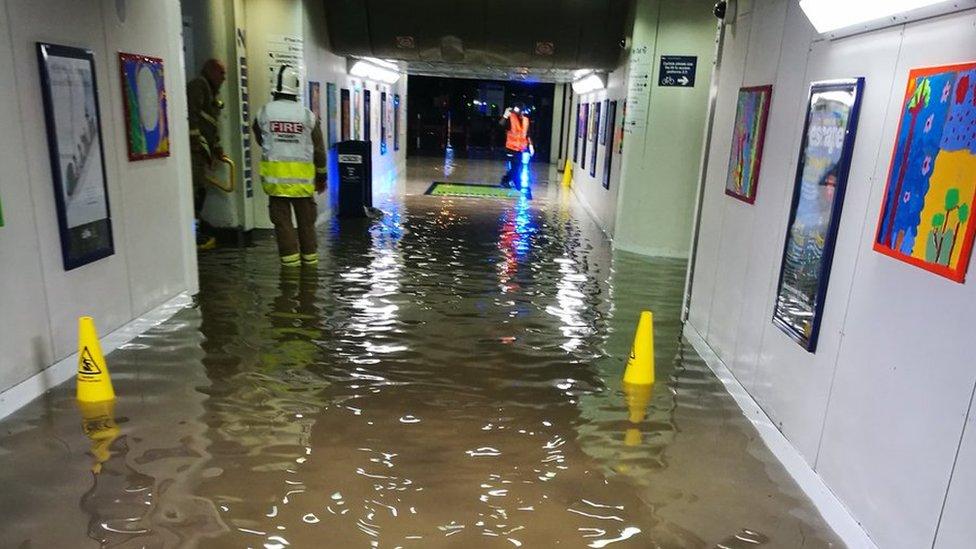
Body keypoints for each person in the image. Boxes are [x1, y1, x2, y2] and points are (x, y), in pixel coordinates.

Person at [252, 65, 327, 268]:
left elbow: (261, 139)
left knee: (283, 226)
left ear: (275, 88)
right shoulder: (307, 116)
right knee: (307, 225)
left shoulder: (264, 113)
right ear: (295, 88)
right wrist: (322, 176)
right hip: (303, 185)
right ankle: (310, 272)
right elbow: (319, 151)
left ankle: (289, 277)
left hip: (275, 184)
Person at [187, 59, 227, 250]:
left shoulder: (211, 93)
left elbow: (211, 123)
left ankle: (196, 229)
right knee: (196, 191)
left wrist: (216, 146)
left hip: (202, 152)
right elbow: (192, 115)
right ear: (210, 71)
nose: (224, 78)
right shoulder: (198, 87)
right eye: (221, 73)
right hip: (195, 152)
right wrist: (195, 143)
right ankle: (193, 233)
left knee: (200, 191)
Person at [498, 103, 534, 189]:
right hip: (511, 148)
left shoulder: (526, 120)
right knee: (516, 166)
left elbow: (528, 134)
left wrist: (531, 145)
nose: (519, 113)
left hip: (520, 148)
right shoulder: (511, 118)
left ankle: (508, 181)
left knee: (517, 167)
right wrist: (505, 116)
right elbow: (501, 125)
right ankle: (513, 182)